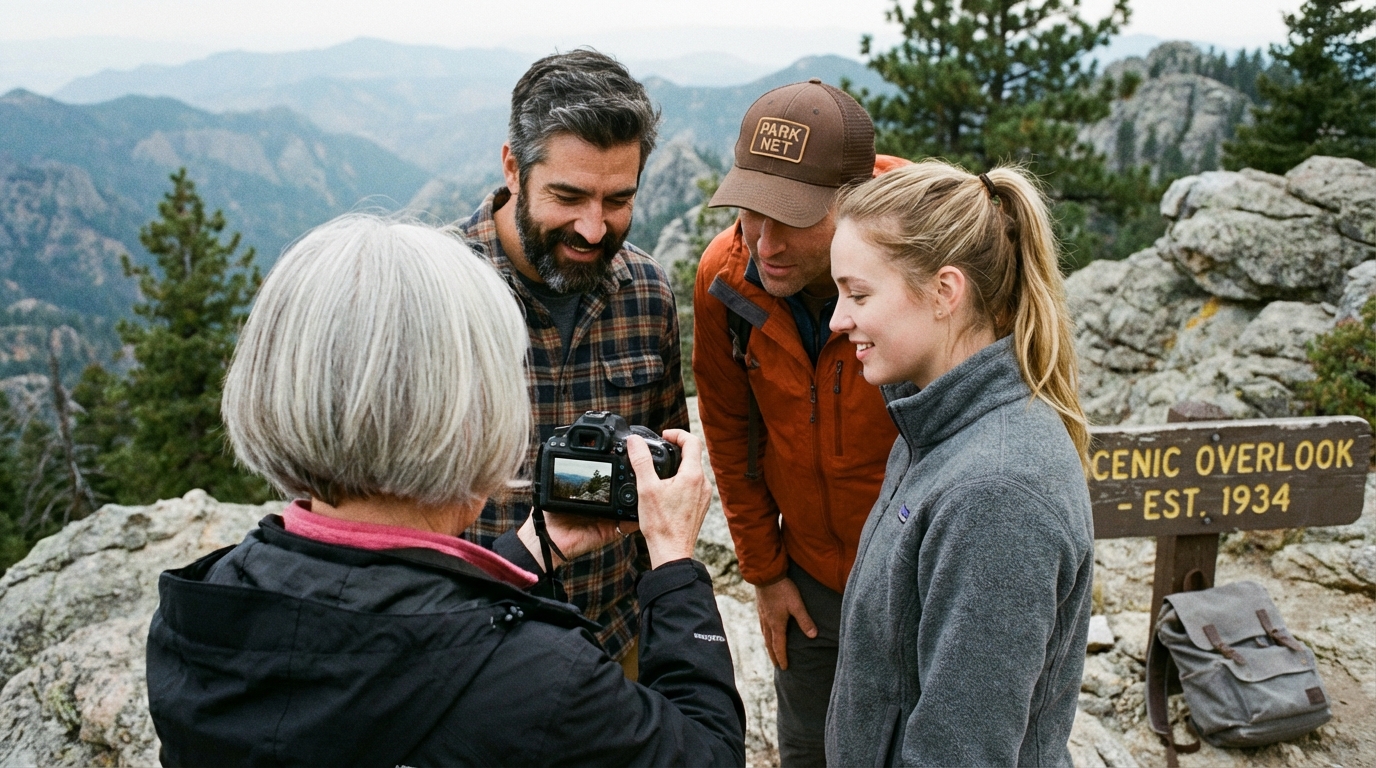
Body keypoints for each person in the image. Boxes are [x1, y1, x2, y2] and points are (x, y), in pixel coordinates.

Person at [144, 215, 745, 767]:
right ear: (468, 418)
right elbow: (708, 754)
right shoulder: (541, 678)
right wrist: (673, 565)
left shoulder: (199, 610)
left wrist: (528, 552)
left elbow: (375, 626)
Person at [823, 161, 1095, 766]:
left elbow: (963, 751)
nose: (839, 319)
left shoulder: (996, 494)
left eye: (859, 294)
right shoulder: (934, 425)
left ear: (945, 291)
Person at [691, 78, 907, 766]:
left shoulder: (924, 264)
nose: (766, 242)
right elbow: (731, 435)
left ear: (855, 202)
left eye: (793, 217)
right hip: (808, 578)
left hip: (914, 575)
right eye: (752, 211)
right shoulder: (727, 282)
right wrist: (765, 572)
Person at [449, 49, 687, 665]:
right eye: (568, 196)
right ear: (513, 167)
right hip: (466, 647)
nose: (593, 228)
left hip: (611, 645)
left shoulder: (646, 293)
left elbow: (660, 483)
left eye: (618, 200)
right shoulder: (433, 293)